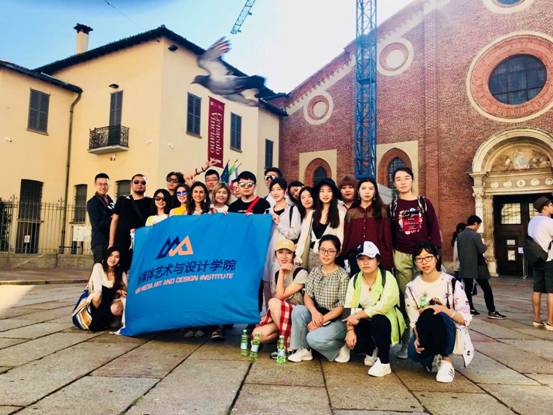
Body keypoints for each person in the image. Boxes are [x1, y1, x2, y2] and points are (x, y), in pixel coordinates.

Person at [389, 166, 441, 358]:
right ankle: (406, 343)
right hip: (401, 255)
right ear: (394, 183)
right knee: (406, 299)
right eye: (398, 179)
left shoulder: (424, 203)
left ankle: (428, 340)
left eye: (406, 178)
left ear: (412, 180)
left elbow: (433, 228)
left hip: (423, 256)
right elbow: (390, 232)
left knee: (426, 296)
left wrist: (435, 254)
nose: (402, 182)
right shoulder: (392, 206)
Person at [405, 242, 473, 383]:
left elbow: (464, 318)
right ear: (415, 262)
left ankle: (446, 360)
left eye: (428, 257)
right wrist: (417, 338)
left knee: (436, 314)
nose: (424, 262)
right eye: (419, 259)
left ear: (436, 258)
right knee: (413, 353)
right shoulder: (411, 288)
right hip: (425, 330)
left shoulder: (451, 283)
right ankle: (432, 357)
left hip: (448, 329)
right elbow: (414, 319)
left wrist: (444, 309)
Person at [343, 241, 406, 377]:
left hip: (386, 320)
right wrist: (350, 330)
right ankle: (371, 349)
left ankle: (384, 362)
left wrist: (358, 315)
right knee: (356, 338)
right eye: (361, 259)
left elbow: (383, 306)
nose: (365, 263)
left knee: (378, 319)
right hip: (365, 319)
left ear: (378, 260)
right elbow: (349, 306)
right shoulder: (355, 279)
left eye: (370, 258)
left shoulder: (388, 277)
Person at [288, 235, 350, 363]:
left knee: (313, 339)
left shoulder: (342, 276)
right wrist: (314, 313)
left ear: (337, 253)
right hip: (318, 314)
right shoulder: (315, 271)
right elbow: (308, 295)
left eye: (331, 251)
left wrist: (320, 322)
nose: (326, 254)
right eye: (323, 250)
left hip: (337, 320)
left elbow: (341, 307)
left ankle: (340, 347)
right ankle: (304, 350)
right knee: (298, 310)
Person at [253, 239, 308, 353]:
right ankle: (286, 336)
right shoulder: (277, 274)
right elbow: (278, 298)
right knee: (257, 334)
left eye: (288, 252)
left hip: (297, 316)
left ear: (293, 255)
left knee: (272, 302)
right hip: (281, 317)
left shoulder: (301, 272)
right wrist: (281, 272)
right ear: (275, 255)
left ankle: (290, 344)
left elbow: (280, 297)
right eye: (280, 252)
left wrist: (282, 272)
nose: (284, 256)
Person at [263, 178, 302, 307]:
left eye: (279, 189)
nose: (275, 192)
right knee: (267, 285)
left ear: (285, 191)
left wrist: (279, 224)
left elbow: (295, 233)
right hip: (268, 254)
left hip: (284, 255)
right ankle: (270, 313)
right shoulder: (267, 211)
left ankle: (280, 315)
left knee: (281, 286)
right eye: (273, 189)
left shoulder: (293, 210)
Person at [458, 215, 505, 319]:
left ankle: (470, 308)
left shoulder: (460, 235)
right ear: (475, 223)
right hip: (478, 266)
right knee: (487, 289)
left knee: (468, 289)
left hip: (465, 266)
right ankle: (492, 311)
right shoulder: (475, 235)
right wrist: (486, 245)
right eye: (478, 225)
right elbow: (481, 250)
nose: (478, 227)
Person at [342, 177, 393, 274]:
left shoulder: (381, 211)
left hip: (376, 258)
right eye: (363, 188)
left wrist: (387, 260)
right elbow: (347, 238)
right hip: (355, 257)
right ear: (358, 191)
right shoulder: (351, 213)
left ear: (375, 192)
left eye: (371, 188)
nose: (367, 191)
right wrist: (344, 257)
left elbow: (387, 238)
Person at [295, 178, 345, 270]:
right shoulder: (312, 214)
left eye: (329, 191)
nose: (325, 194)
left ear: (333, 193)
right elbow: (303, 238)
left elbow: (340, 239)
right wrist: (298, 255)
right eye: (322, 191)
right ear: (318, 194)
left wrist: (335, 256)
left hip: (330, 259)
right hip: (312, 257)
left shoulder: (341, 214)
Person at [109, 174, 152, 272]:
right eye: (136, 182)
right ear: (131, 185)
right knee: (120, 272)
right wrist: (111, 243)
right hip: (121, 243)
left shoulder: (150, 202)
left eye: (143, 182)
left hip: (140, 244)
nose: (140, 184)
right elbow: (114, 221)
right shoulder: (122, 200)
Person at [527, 196, 553, 330]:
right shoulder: (549, 222)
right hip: (550, 259)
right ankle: (550, 322)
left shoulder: (532, 221)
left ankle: (537, 319)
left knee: (537, 290)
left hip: (536, 259)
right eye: (551, 205)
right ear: (544, 207)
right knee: (551, 291)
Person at [87, 247, 127, 332]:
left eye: (117, 257)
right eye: (111, 255)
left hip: (112, 302)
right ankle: (98, 321)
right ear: (106, 256)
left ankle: (109, 321)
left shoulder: (121, 272)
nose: (113, 259)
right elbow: (98, 289)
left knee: (116, 307)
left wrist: (122, 291)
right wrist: (117, 290)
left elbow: (127, 290)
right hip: (98, 302)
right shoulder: (98, 267)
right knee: (98, 295)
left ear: (120, 260)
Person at [87, 173, 114, 263]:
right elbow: (97, 225)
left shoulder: (111, 201)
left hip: (112, 241)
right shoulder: (92, 203)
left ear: (109, 185)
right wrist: (113, 217)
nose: (103, 187)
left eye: (105, 184)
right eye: (100, 184)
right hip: (100, 243)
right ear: (95, 185)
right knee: (99, 269)